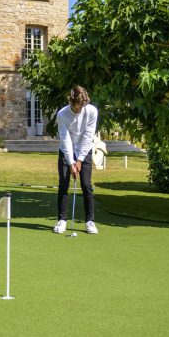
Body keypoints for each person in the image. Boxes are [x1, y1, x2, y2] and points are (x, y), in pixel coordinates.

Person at [53, 86, 98, 235]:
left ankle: (90, 221)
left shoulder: (91, 111)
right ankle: (62, 221)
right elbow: (65, 141)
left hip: (84, 151)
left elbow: (88, 137)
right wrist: (71, 162)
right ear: (71, 102)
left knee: (86, 185)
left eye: (82, 106)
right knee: (64, 184)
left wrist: (79, 161)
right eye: (77, 106)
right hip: (66, 152)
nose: (80, 110)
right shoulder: (62, 115)